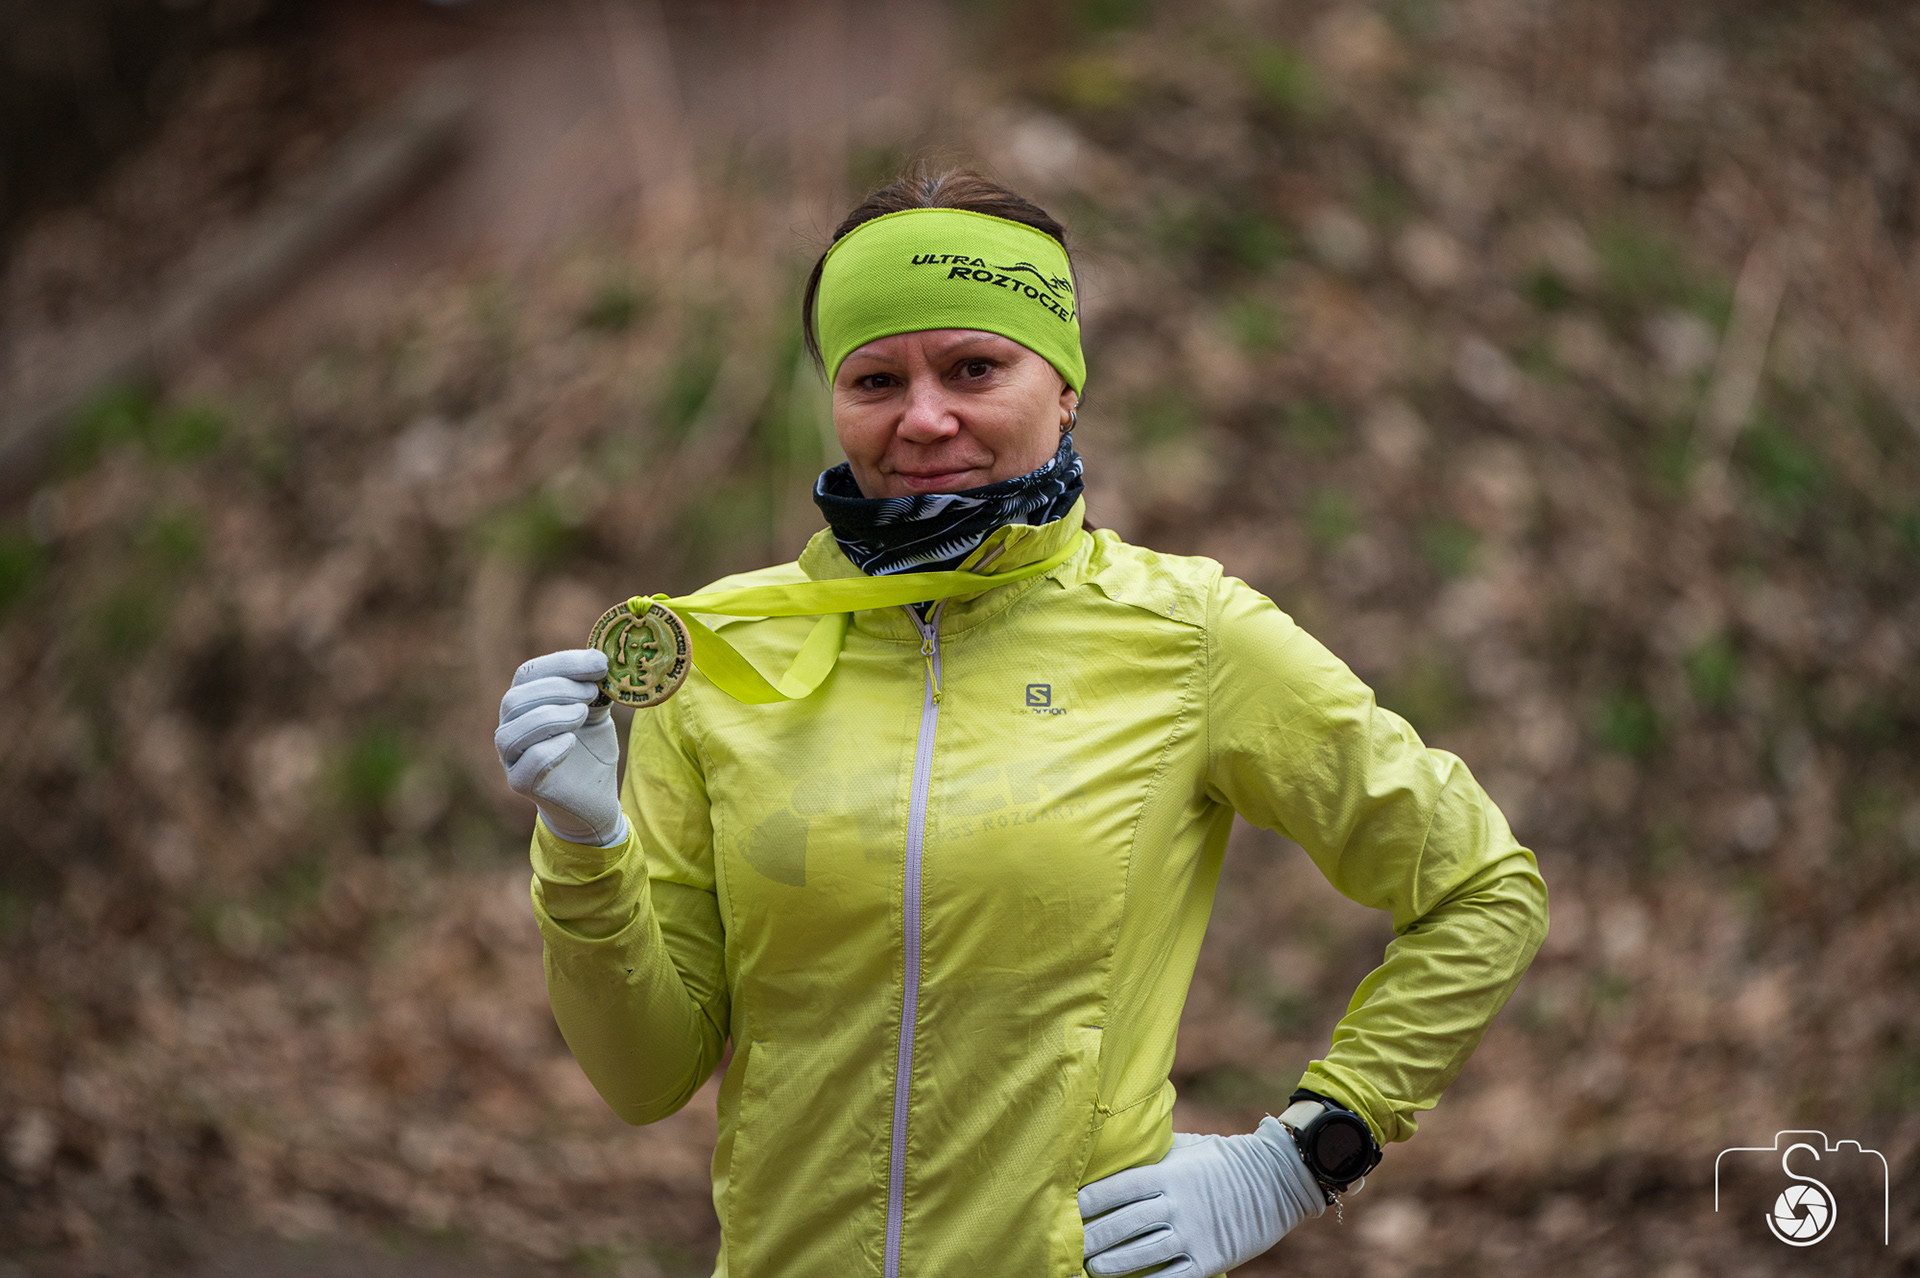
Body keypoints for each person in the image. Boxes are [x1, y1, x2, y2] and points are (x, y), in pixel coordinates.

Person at [494, 168, 1548, 1278]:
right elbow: (644, 1076)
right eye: (875, 378)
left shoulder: (1187, 634)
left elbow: (1482, 889)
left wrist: (1305, 1154)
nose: (924, 417)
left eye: (974, 368)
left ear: (1065, 386)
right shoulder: (721, 653)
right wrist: (585, 845)